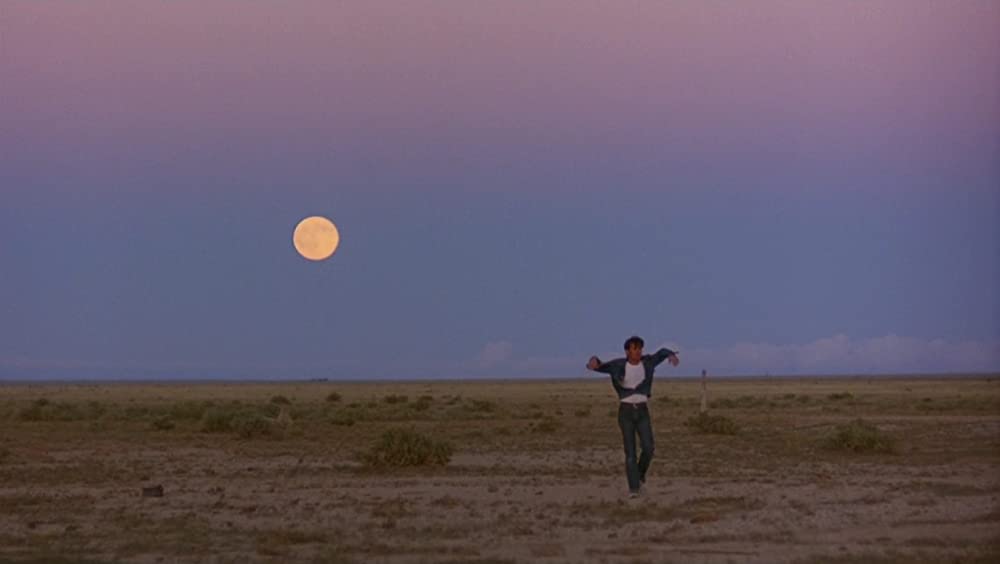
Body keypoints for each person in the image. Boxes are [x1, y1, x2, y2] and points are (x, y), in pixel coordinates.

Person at [587, 336, 679, 498]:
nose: (638, 352)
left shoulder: (648, 363)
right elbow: (600, 365)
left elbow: (661, 353)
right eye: (634, 349)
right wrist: (593, 361)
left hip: (642, 411)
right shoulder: (618, 365)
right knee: (630, 452)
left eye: (640, 349)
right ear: (627, 351)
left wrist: (671, 355)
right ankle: (634, 489)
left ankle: (640, 475)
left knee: (649, 447)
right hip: (626, 412)